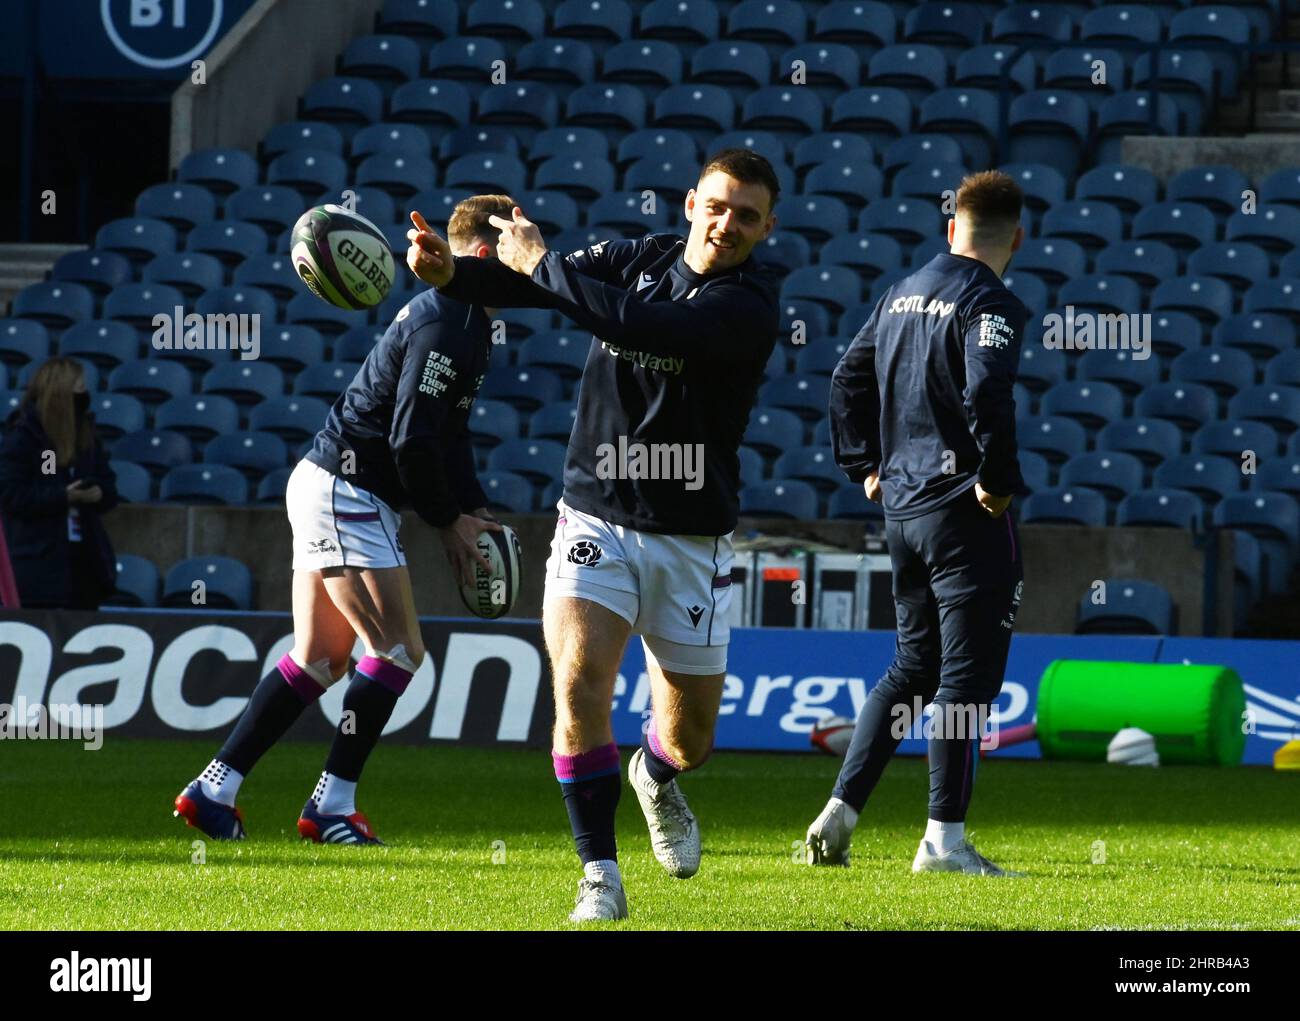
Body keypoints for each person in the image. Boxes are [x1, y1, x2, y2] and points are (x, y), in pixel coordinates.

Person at [406, 147, 781, 921]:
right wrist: (452, 275)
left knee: (694, 737)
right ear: (689, 205)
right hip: (595, 516)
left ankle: (656, 775)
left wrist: (543, 262)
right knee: (579, 681)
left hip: (690, 539)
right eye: (717, 205)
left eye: (747, 214)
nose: (728, 223)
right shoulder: (637, 255)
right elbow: (527, 284)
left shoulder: (748, 306)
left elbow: (640, 324)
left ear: (766, 227)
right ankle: (600, 873)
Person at [173, 195, 512, 845]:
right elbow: (413, 439)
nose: (532, 268)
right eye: (521, 254)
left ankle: (212, 789)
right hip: (345, 489)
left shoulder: (469, 322)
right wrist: (447, 522)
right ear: (486, 254)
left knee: (324, 657)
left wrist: (473, 511)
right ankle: (331, 806)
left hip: (333, 484)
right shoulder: (449, 320)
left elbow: (449, 436)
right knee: (398, 650)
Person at [804, 170, 1029, 877]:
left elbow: (846, 376)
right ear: (1016, 237)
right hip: (962, 512)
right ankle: (943, 840)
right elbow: (987, 386)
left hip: (901, 510)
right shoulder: (988, 299)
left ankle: (840, 812)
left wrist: (864, 466)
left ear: (950, 226)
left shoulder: (901, 291)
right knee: (963, 679)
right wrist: (997, 478)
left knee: (911, 666)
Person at [0, 357, 119, 610]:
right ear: (62, 390)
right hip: (37, 564)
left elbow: (109, 484)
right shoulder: (22, 436)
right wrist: (63, 496)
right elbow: (11, 495)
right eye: (80, 386)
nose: (85, 392)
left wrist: (98, 493)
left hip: (82, 564)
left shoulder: (86, 434)